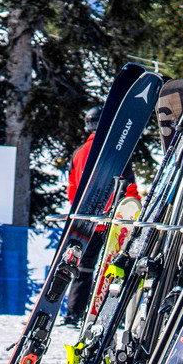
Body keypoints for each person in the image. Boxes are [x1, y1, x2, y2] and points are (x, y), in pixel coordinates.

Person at [63, 106, 140, 325]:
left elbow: (72, 189)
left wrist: (79, 213)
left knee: (84, 267)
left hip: (86, 220)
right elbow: (129, 186)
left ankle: (74, 312)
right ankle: (113, 311)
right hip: (112, 221)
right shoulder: (117, 151)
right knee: (115, 265)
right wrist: (133, 211)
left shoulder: (78, 153)